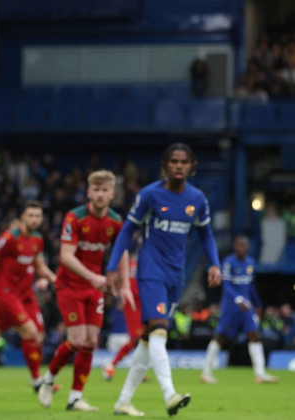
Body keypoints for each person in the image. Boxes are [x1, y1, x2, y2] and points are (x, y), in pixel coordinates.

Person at [105, 142, 221, 417]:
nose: (179, 166)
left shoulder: (197, 200)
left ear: (192, 167)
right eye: (173, 161)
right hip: (150, 271)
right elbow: (126, 231)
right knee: (159, 329)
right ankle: (170, 394)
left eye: (184, 162)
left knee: (148, 340)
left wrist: (214, 263)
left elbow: (205, 235)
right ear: (165, 166)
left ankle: (123, 401)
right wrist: (112, 267)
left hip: (175, 275)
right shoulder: (149, 195)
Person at [37, 170, 129, 411]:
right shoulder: (74, 217)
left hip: (94, 286)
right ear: (89, 193)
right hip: (70, 284)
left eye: (104, 190)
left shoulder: (115, 221)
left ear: (112, 193)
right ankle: (48, 379)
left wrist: (125, 285)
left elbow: (123, 253)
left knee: (90, 342)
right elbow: (66, 257)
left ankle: (75, 397)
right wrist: (93, 277)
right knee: (76, 340)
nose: (100, 195)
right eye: (96, 190)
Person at [0, 201, 57, 392]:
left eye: (38, 216)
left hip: (24, 294)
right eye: (30, 215)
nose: (34, 220)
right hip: (4, 294)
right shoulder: (10, 237)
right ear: (23, 217)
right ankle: (36, 381)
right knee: (30, 331)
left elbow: (39, 266)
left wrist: (53, 278)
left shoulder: (38, 240)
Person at [201, 235, 279, 384]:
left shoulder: (250, 263)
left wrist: (258, 305)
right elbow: (226, 284)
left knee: (254, 335)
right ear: (235, 246)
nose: (242, 248)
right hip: (231, 307)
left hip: (247, 307)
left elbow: (250, 286)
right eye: (239, 245)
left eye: (245, 245)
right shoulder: (228, 262)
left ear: (247, 247)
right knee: (220, 336)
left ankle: (260, 374)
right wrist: (238, 299)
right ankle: (206, 372)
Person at [102, 252, 144, 382]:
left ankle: (138, 370)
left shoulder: (144, 259)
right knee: (137, 339)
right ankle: (111, 365)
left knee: (142, 340)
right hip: (132, 303)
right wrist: (121, 297)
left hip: (142, 302)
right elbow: (119, 278)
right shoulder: (129, 261)